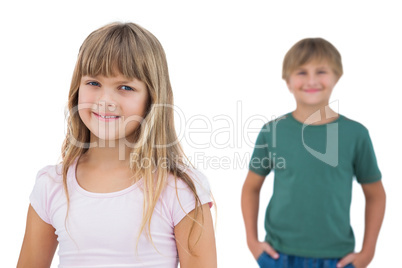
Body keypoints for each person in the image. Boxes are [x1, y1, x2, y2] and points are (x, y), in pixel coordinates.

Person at [17, 22, 217, 268]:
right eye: (93, 83)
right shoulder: (52, 185)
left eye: (125, 87)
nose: (105, 100)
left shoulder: (179, 190)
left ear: (152, 99)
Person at [241, 38, 386, 268]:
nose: (311, 80)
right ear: (287, 81)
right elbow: (251, 187)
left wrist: (367, 253)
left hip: (337, 259)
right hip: (278, 256)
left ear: (336, 76)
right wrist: (252, 241)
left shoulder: (355, 134)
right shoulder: (273, 131)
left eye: (321, 71)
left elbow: (376, 194)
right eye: (301, 72)